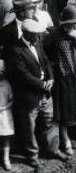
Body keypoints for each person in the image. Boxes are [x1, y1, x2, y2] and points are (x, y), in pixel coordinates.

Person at [7, 19, 67, 169]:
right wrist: (42, 84)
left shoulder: (38, 44)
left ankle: (53, 149)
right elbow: (22, 75)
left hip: (45, 92)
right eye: (37, 34)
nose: (40, 37)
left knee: (50, 122)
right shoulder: (15, 50)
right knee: (29, 127)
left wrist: (51, 79)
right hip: (29, 96)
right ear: (27, 34)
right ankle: (32, 156)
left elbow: (46, 62)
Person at [43, 5, 76, 157]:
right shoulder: (54, 34)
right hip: (63, 78)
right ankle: (66, 142)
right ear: (63, 22)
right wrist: (53, 68)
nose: (73, 24)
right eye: (71, 22)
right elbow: (46, 54)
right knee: (64, 111)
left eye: (75, 21)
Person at [0, 59, 13, 171]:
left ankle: (6, 159)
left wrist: (4, 107)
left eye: (2, 70)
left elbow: (12, 100)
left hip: (4, 114)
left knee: (5, 138)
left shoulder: (7, 85)